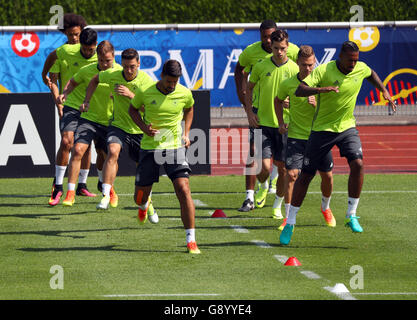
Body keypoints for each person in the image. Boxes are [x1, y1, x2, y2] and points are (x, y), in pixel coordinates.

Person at [279, 41, 396, 245]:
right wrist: (322, 90)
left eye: (356, 60)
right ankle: (290, 222)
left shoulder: (360, 67)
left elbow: (371, 74)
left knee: (358, 164)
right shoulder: (325, 70)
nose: (353, 64)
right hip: (322, 130)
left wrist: (384, 90)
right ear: (340, 57)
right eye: (350, 60)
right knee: (306, 176)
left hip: (347, 127)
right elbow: (300, 90)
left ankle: (351, 214)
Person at [128, 59, 200, 254]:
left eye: (175, 82)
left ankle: (191, 240)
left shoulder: (185, 93)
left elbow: (190, 108)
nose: (172, 85)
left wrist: (186, 133)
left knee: (183, 189)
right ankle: (144, 205)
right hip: (150, 148)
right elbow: (132, 109)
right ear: (162, 76)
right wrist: (143, 128)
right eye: (169, 81)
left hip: (175, 147)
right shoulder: (146, 91)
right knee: (139, 197)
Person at [83, 49, 157, 221]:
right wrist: (86, 100)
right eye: (125, 67)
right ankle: (106, 195)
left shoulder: (146, 82)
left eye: (132, 67)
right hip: (118, 126)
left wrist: (131, 95)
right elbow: (95, 79)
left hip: (139, 130)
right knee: (113, 152)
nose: (128, 71)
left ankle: (147, 205)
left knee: (144, 169)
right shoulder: (113, 74)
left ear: (138, 63)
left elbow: (150, 109)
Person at [235, 19, 299, 212]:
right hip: (259, 111)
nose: (270, 43)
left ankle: (278, 204)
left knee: (282, 166)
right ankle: (253, 193)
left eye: (276, 41)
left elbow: (306, 73)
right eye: (266, 38)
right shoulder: (253, 54)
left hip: (284, 118)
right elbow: (240, 71)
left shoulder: (293, 52)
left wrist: (294, 100)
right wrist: (243, 97)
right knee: (254, 154)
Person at [56, 41, 123, 207]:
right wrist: (65, 93)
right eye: (101, 60)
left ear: (113, 57)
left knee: (106, 156)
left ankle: (110, 189)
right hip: (89, 119)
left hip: (110, 122)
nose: (104, 64)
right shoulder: (88, 70)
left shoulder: (121, 72)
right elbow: (72, 82)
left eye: (108, 60)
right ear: (97, 58)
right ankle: (70, 192)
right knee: (77, 150)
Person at [275, 45, 335, 231]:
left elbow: (334, 106)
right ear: (297, 63)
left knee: (327, 176)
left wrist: (317, 103)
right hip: (296, 136)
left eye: (310, 65)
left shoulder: (322, 83)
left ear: (315, 62)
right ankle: (288, 218)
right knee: (292, 175)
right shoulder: (288, 84)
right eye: (303, 65)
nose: (307, 68)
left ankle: (325, 207)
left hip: (319, 136)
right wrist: (280, 122)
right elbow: (278, 100)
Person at [48, 28, 99, 206]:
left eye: (90, 49)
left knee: (85, 146)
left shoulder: (101, 58)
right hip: (70, 104)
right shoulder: (66, 51)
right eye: (84, 49)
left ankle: (82, 185)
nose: (87, 52)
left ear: (96, 46)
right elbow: (51, 71)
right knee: (66, 141)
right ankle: (58, 186)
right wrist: (58, 102)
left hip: (91, 108)